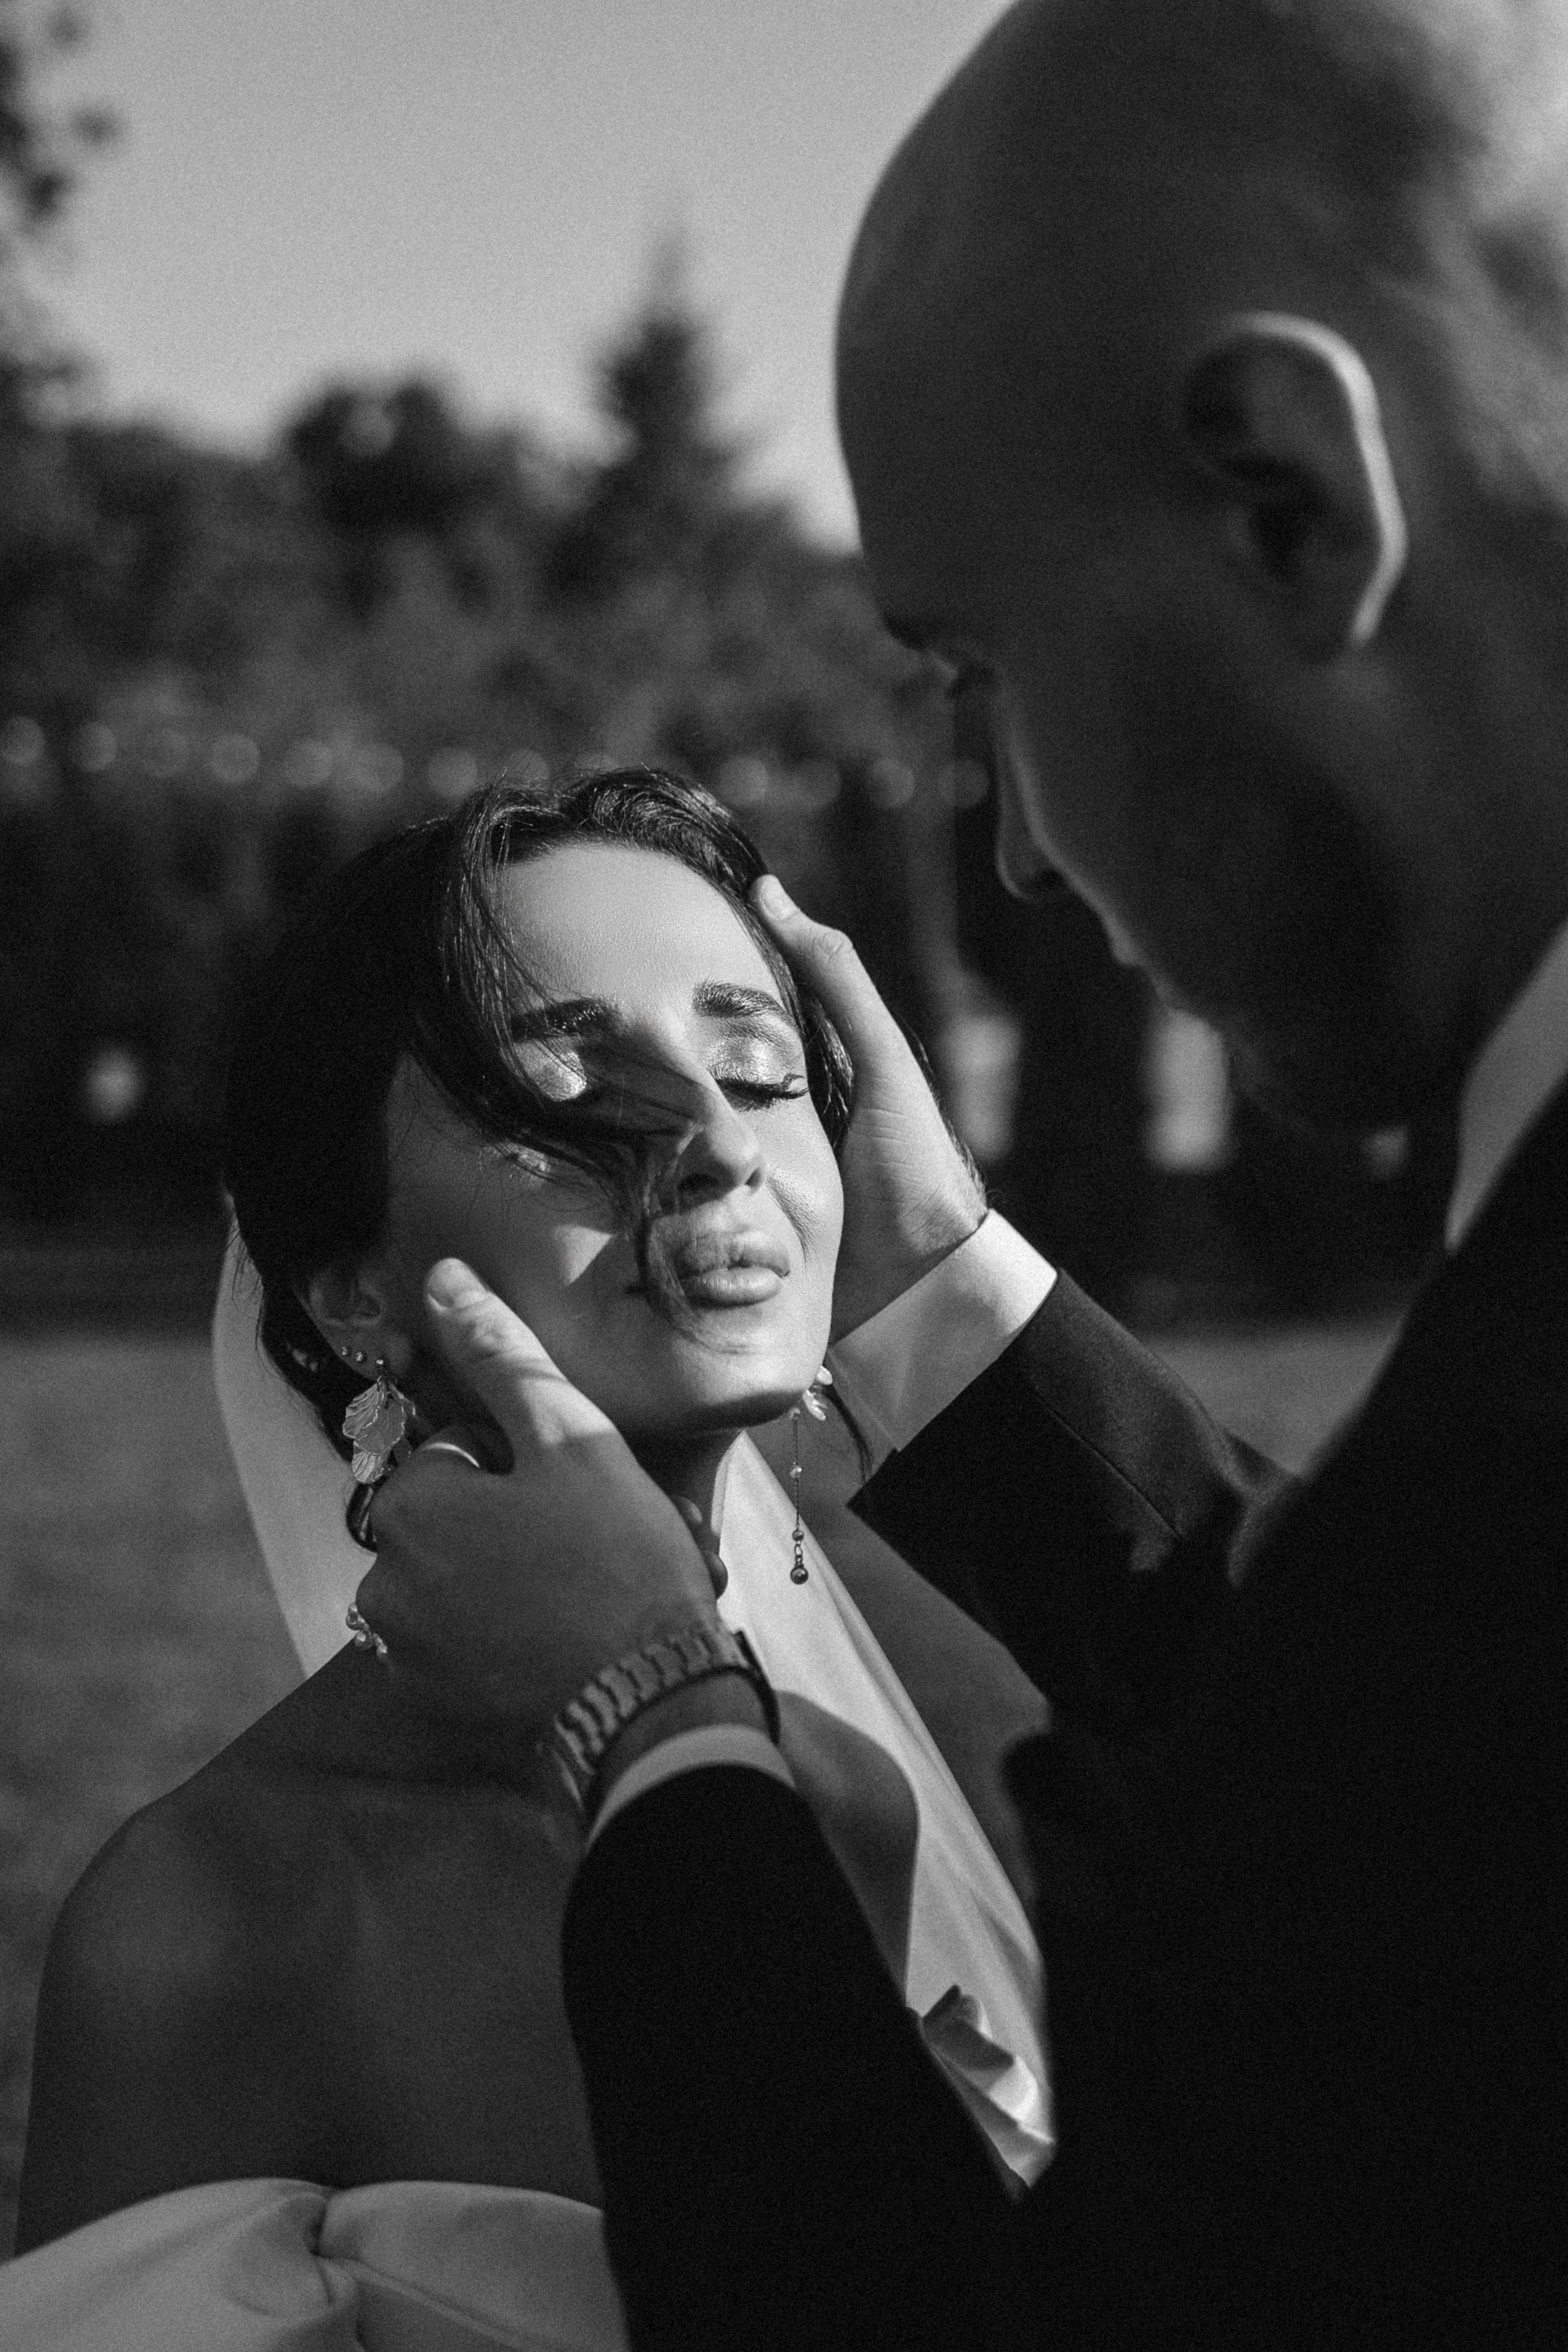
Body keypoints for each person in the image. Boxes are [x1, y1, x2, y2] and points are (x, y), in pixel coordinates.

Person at [334, 3, 1568, 2346]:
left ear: (1288, 502)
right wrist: (939, 1291)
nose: (1014, 852)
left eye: (980, 670)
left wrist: (644, 1714)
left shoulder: (1484, 1540)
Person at [2, 769, 1057, 2349]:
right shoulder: (220, 1919)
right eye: (567, 1096)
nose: (717, 1141)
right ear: (353, 1292)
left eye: (762, 1070)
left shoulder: (844, 1795)